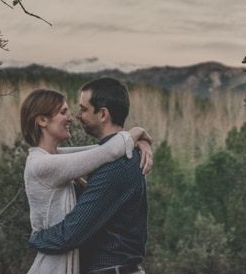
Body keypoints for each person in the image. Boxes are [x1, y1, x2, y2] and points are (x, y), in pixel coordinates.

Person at [21, 87, 152, 274]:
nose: (72, 117)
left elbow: (97, 151)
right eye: (63, 112)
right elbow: (105, 151)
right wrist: (135, 134)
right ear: (42, 120)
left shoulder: (58, 160)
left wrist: (137, 140)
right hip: (55, 265)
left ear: (103, 114)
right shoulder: (41, 164)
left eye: (82, 109)